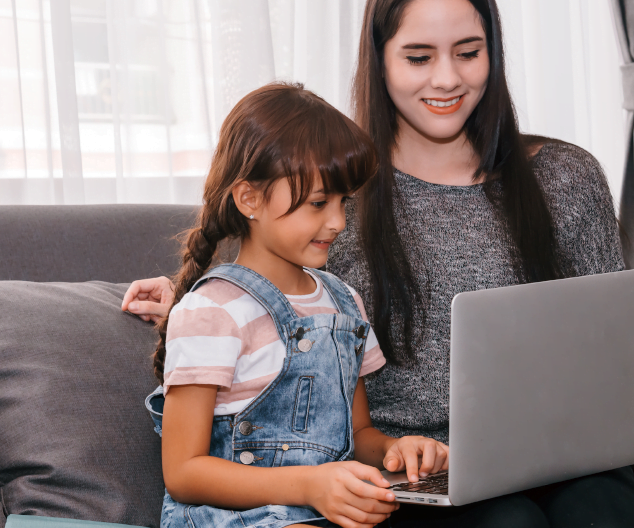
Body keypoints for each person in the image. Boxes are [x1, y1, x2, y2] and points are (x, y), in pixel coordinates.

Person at [125, 0, 634, 528]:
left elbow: (613, 351)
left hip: (559, 453)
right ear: (380, 62)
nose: (447, 78)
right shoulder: (338, 195)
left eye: (468, 52)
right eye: (419, 57)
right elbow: (254, 285)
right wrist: (180, 301)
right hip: (411, 470)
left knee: (605, 510)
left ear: (493, 53)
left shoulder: (566, 179)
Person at [147, 82, 450, 528]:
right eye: (317, 203)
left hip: (326, 513)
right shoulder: (211, 311)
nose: (338, 222)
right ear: (249, 198)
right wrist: (309, 485)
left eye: (344, 201)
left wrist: (394, 450)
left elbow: (357, 434)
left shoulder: (344, 302)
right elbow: (183, 472)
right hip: (234, 518)